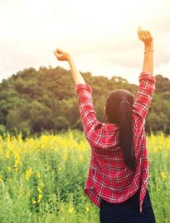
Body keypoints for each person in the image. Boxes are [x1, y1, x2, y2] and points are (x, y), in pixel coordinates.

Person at [54, 28, 156, 223]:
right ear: (130, 109)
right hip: (139, 208)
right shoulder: (136, 124)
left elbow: (83, 94)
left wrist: (70, 60)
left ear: (106, 111)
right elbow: (147, 84)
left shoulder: (94, 133)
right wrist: (149, 46)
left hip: (110, 212)